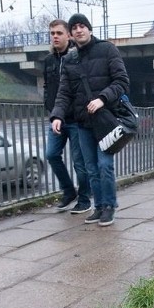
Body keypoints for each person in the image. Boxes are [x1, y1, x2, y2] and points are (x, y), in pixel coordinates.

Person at [50, 14, 130, 227]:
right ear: (71, 33)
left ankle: (110, 206)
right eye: (74, 27)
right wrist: (57, 115)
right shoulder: (70, 59)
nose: (78, 30)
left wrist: (102, 99)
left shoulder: (107, 50)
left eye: (82, 26)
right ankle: (99, 207)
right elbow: (64, 92)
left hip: (105, 120)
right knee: (91, 168)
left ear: (90, 29)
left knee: (104, 165)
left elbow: (122, 81)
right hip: (83, 122)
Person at [43, 19, 91, 214]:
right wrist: (50, 108)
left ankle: (85, 198)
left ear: (68, 36)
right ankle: (68, 191)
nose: (55, 36)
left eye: (59, 33)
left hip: (75, 119)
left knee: (80, 162)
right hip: (57, 118)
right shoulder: (48, 60)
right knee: (51, 154)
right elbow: (48, 87)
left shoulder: (76, 57)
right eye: (52, 33)